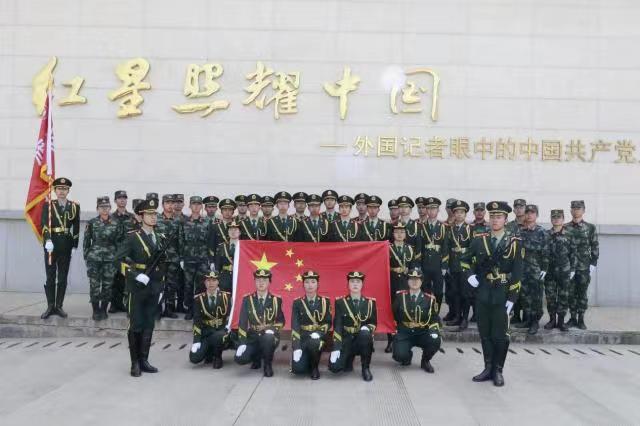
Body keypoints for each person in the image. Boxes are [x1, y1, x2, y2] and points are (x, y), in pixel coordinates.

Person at [467, 201, 523, 387]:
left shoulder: (514, 242)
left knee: (501, 335)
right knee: (485, 333)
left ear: (506, 219)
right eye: (492, 216)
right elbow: (464, 260)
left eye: (499, 217)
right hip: (483, 292)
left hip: (502, 293)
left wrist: (512, 298)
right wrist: (470, 275)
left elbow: (518, 272)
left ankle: (498, 370)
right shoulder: (479, 238)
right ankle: (487, 368)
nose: (495, 220)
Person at [115, 199, 165, 377]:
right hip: (137, 286)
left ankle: (144, 360)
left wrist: (162, 287)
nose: (153, 217)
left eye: (154, 214)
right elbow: (118, 260)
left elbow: (162, 264)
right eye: (149, 214)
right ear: (140, 217)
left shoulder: (160, 236)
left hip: (154, 286)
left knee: (149, 324)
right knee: (136, 324)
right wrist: (135, 275)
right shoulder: (132, 237)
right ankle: (134, 363)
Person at [41, 177, 80, 319]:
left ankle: (59, 306)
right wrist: (47, 240)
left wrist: (74, 245)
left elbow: (76, 227)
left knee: (63, 277)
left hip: (66, 244)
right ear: (55, 190)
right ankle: (50, 305)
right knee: (50, 276)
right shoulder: (48, 205)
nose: (62, 191)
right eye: (59, 189)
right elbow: (44, 224)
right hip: (51, 245)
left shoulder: (74, 206)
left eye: (64, 189)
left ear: (68, 191)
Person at [235, 269, 285, 377]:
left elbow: (281, 321)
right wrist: (242, 342)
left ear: (269, 282)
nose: (261, 283)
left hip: (269, 336)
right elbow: (243, 322)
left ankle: (267, 364)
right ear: (254, 281)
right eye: (258, 280)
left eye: (264, 280)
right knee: (240, 359)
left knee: (268, 338)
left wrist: (271, 329)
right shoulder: (247, 299)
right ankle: (256, 357)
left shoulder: (276, 300)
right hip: (253, 335)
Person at [392, 268, 442, 373]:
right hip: (405, 331)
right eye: (411, 279)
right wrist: (395, 330)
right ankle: (407, 357)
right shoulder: (400, 297)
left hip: (422, 332)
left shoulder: (429, 299)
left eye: (417, 279)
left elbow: (434, 319)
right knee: (399, 355)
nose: (414, 282)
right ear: (407, 281)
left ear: (421, 281)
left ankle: (425, 361)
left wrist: (434, 332)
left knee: (435, 339)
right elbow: (394, 314)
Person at [329, 271, 376, 382]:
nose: (355, 284)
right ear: (348, 284)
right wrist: (336, 347)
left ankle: (365, 368)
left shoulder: (370, 303)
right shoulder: (340, 302)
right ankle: (349, 358)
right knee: (334, 368)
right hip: (346, 339)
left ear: (362, 284)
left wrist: (367, 328)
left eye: (358, 282)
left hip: (362, 339)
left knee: (365, 335)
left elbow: (373, 323)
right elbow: (338, 325)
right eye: (352, 281)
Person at [83, 196, 119, 321]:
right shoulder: (92, 223)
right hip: (94, 259)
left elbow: (119, 242)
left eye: (107, 207)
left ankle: (103, 309)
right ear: (97, 209)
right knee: (94, 285)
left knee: (108, 285)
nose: (104, 209)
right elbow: (86, 241)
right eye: (101, 207)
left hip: (110, 259)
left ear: (110, 208)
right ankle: (95, 310)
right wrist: (87, 256)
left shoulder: (116, 223)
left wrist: (117, 258)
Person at [291, 270, 332, 380]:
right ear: (303, 284)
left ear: (318, 284)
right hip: (303, 336)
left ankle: (314, 368)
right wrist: (296, 346)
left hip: (318, 337)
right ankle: (307, 359)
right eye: (307, 282)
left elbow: (328, 322)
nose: (310, 285)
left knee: (314, 342)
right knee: (298, 370)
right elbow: (295, 325)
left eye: (313, 282)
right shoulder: (297, 302)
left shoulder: (325, 301)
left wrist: (319, 333)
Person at [180, 196, 215, 320]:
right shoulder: (184, 222)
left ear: (201, 207)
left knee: (201, 285)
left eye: (198, 204)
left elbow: (210, 242)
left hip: (202, 259)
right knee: (188, 285)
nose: (196, 206)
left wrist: (211, 259)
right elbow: (181, 241)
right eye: (193, 204)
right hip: (188, 259)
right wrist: (181, 258)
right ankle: (189, 309)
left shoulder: (207, 222)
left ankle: (200, 310)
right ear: (190, 206)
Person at [565, 200, 599, 330]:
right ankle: (572, 318)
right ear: (571, 210)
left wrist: (593, 263)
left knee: (582, 293)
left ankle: (581, 319)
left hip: (584, 266)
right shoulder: (565, 227)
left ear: (583, 210)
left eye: (578, 208)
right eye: (574, 208)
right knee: (570, 293)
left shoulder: (590, 228)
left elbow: (595, 246)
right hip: (569, 267)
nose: (576, 211)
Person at [517, 204, 549, 335]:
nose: (529, 215)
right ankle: (528, 320)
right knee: (524, 295)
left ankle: (535, 322)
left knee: (536, 296)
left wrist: (544, 268)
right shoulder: (520, 232)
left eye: (532, 213)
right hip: (522, 269)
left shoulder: (542, 232)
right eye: (527, 213)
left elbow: (546, 252)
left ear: (537, 215)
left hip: (536, 270)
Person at [189, 271, 231, 369]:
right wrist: (196, 340)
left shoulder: (226, 297)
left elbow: (229, 316)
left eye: (214, 280)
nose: (211, 283)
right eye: (208, 280)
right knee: (194, 358)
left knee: (218, 337)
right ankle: (209, 351)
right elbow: (197, 321)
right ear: (205, 282)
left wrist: (226, 330)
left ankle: (217, 356)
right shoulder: (198, 299)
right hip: (207, 332)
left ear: (218, 282)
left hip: (221, 331)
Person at [544, 209, 576, 332]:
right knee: (550, 296)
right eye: (554, 217)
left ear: (563, 219)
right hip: (550, 271)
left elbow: (573, 253)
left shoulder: (569, 234)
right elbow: (543, 253)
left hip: (564, 271)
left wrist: (573, 269)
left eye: (559, 217)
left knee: (563, 296)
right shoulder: (546, 234)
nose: (556, 219)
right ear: (551, 219)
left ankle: (561, 321)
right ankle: (552, 320)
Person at [387, 223, 416, 352]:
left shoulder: (410, 249)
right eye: (397, 232)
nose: (399, 234)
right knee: (391, 312)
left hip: (405, 283)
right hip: (391, 282)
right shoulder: (387, 248)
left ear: (405, 234)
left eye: (402, 232)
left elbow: (413, 268)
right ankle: (391, 341)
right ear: (393, 234)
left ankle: (404, 340)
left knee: (404, 311)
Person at [445, 200, 472, 331]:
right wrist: (446, 265)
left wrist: (471, 266)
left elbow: (473, 248)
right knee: (455, 292)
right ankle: (457, 316)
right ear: (454, 214)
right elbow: (446, 247)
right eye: (457, 212)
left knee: (465, 293)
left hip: (465, 266)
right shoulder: (449, 229)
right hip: (454, 265)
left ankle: (465, 318)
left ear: (465, 214)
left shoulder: (470, 229)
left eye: (462, 212)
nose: (459, 214)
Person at [417, 197, 449, 312]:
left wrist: (444, 265)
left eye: (434, 208)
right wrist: (418, 264)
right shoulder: (421, 226)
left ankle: (436, 313)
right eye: (429, 209)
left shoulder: (443, 227)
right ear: (426, 210)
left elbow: (445, 247)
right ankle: (426, 313)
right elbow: (419, 247)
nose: (431, 211)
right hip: (425, 264)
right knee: (425, 290)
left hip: (438, 265)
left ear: (438, 210)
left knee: (439, 291)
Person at [155, 194, 181, 319]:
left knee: (172, 284)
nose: (170, 205)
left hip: (173, 257)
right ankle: (157, 309)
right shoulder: (156, 219)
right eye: (167, 203)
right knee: (158, 284)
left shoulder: (178, 220)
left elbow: (181, 240)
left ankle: (169, 309)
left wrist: (181, 257)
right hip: (159, 258)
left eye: (172, 203)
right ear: (163, 204)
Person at [110, 190, 134, 313]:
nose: (122, 200)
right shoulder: (110, 218)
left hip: (127, 255)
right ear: (115, 201)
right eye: (119, 198)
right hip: (114, 254)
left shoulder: (132, 218)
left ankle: (123, 303)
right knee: (113, 279)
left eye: (124, 198)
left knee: (125, 279)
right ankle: (114, 304)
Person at [215, 220, 240, 293]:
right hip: (225, 277)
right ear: (228, 232)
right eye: (231, 230)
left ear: (239, 232)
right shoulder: (222, 247)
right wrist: (217, 281)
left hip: (239, 276)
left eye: (235, 230)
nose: (233, 232)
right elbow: (217, 266)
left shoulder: (243, 247)